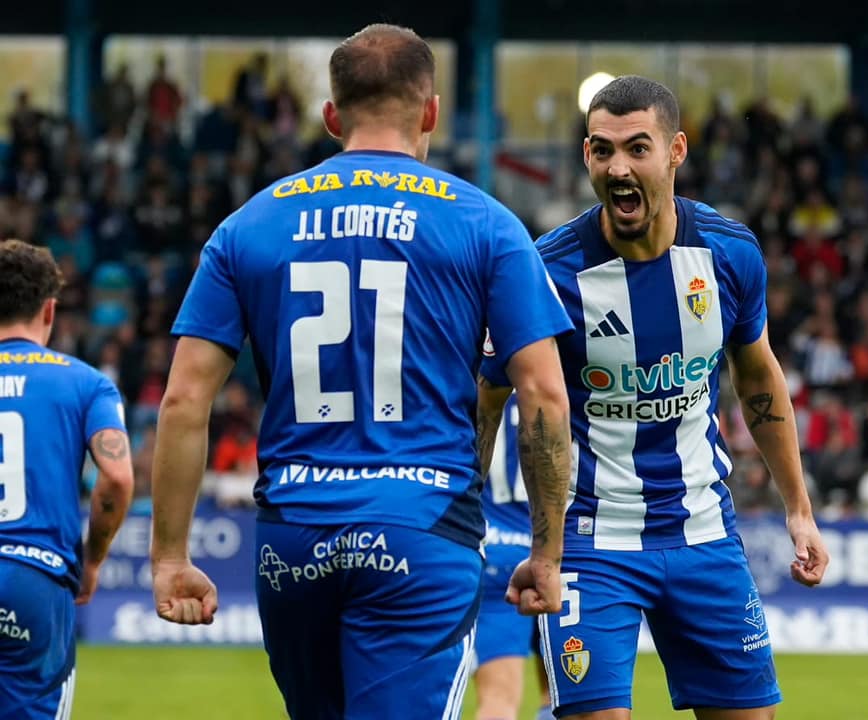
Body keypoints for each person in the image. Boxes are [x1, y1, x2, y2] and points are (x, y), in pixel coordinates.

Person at [149, 23, 573, 720]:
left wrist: (169, 556)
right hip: (421, 529)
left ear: (331, 117)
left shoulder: (247, 226)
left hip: (294, 536)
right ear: (431, 112)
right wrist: (546, 553)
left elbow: (184, 401)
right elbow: (545, 398)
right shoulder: (487, 224)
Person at [479, 76, 830, 720]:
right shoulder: (547, 272)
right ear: (586, 156)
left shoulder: (728, 253)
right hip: (591, 541)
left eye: (637, 148)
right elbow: (491, 393)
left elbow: (757, 378)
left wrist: (798, 509)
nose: (619, 167)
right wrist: (468, 518)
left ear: (676, 151)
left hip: (704, 532)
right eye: (602, 150)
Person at [0, 239, 134, 718]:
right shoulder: (85, 383)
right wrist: (92, 560)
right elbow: (116, 477)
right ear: (49, 310)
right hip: (34, 576)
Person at [474, 393, 553, 720]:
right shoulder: (553, 381)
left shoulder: (475, 383)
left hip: (495, 550)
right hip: (556, 552)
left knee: (499, 700)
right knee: (564, 696)